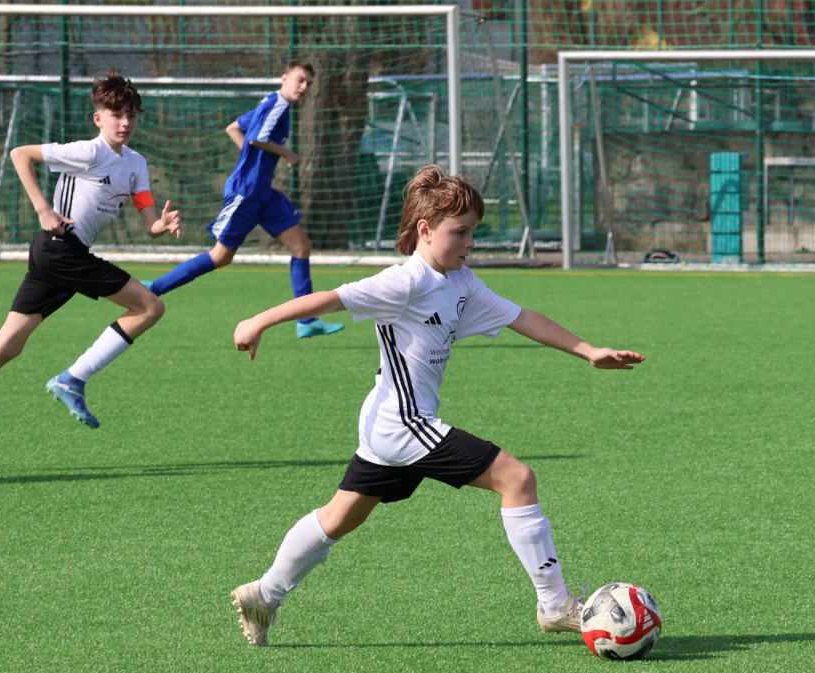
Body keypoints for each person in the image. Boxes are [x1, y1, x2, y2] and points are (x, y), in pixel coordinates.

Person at [227, 165, 645, 646]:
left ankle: (264, 594)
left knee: (340, 517)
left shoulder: (462, 282)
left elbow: (521, 317)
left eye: (473, 233)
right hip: (405, 422)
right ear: (425, 231)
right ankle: (556, 605)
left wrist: (587, 350)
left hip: (387, 420)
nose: (470, 243)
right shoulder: (404, 283)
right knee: (518, 478)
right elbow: (330, 299)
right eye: (460, 233)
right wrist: (257, 321)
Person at [0, 70, 182, 473]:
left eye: (131, 115)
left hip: (59, 255)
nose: (124, 122)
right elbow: (21, 154)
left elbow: (148, 221)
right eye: (116, 113)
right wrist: (42, 208)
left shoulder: (136, 164)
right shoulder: (89, 152)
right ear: (98, 118)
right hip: (60, 250)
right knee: (149, 308)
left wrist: (163, 225)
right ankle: (74, 378)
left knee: (7, 347)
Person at [144, 58, 343, 340]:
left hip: (263, 193)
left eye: (309, 83)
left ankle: (308, 321)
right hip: (246, 193)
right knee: (220, 257)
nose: (304, 86)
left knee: (301, 246)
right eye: (300, 80)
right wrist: (286, 154)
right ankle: (154, 289)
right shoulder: (277, 105)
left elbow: (234, 128)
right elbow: (256, 139)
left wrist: (251, 161)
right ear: (284, 77)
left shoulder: (272, 104)